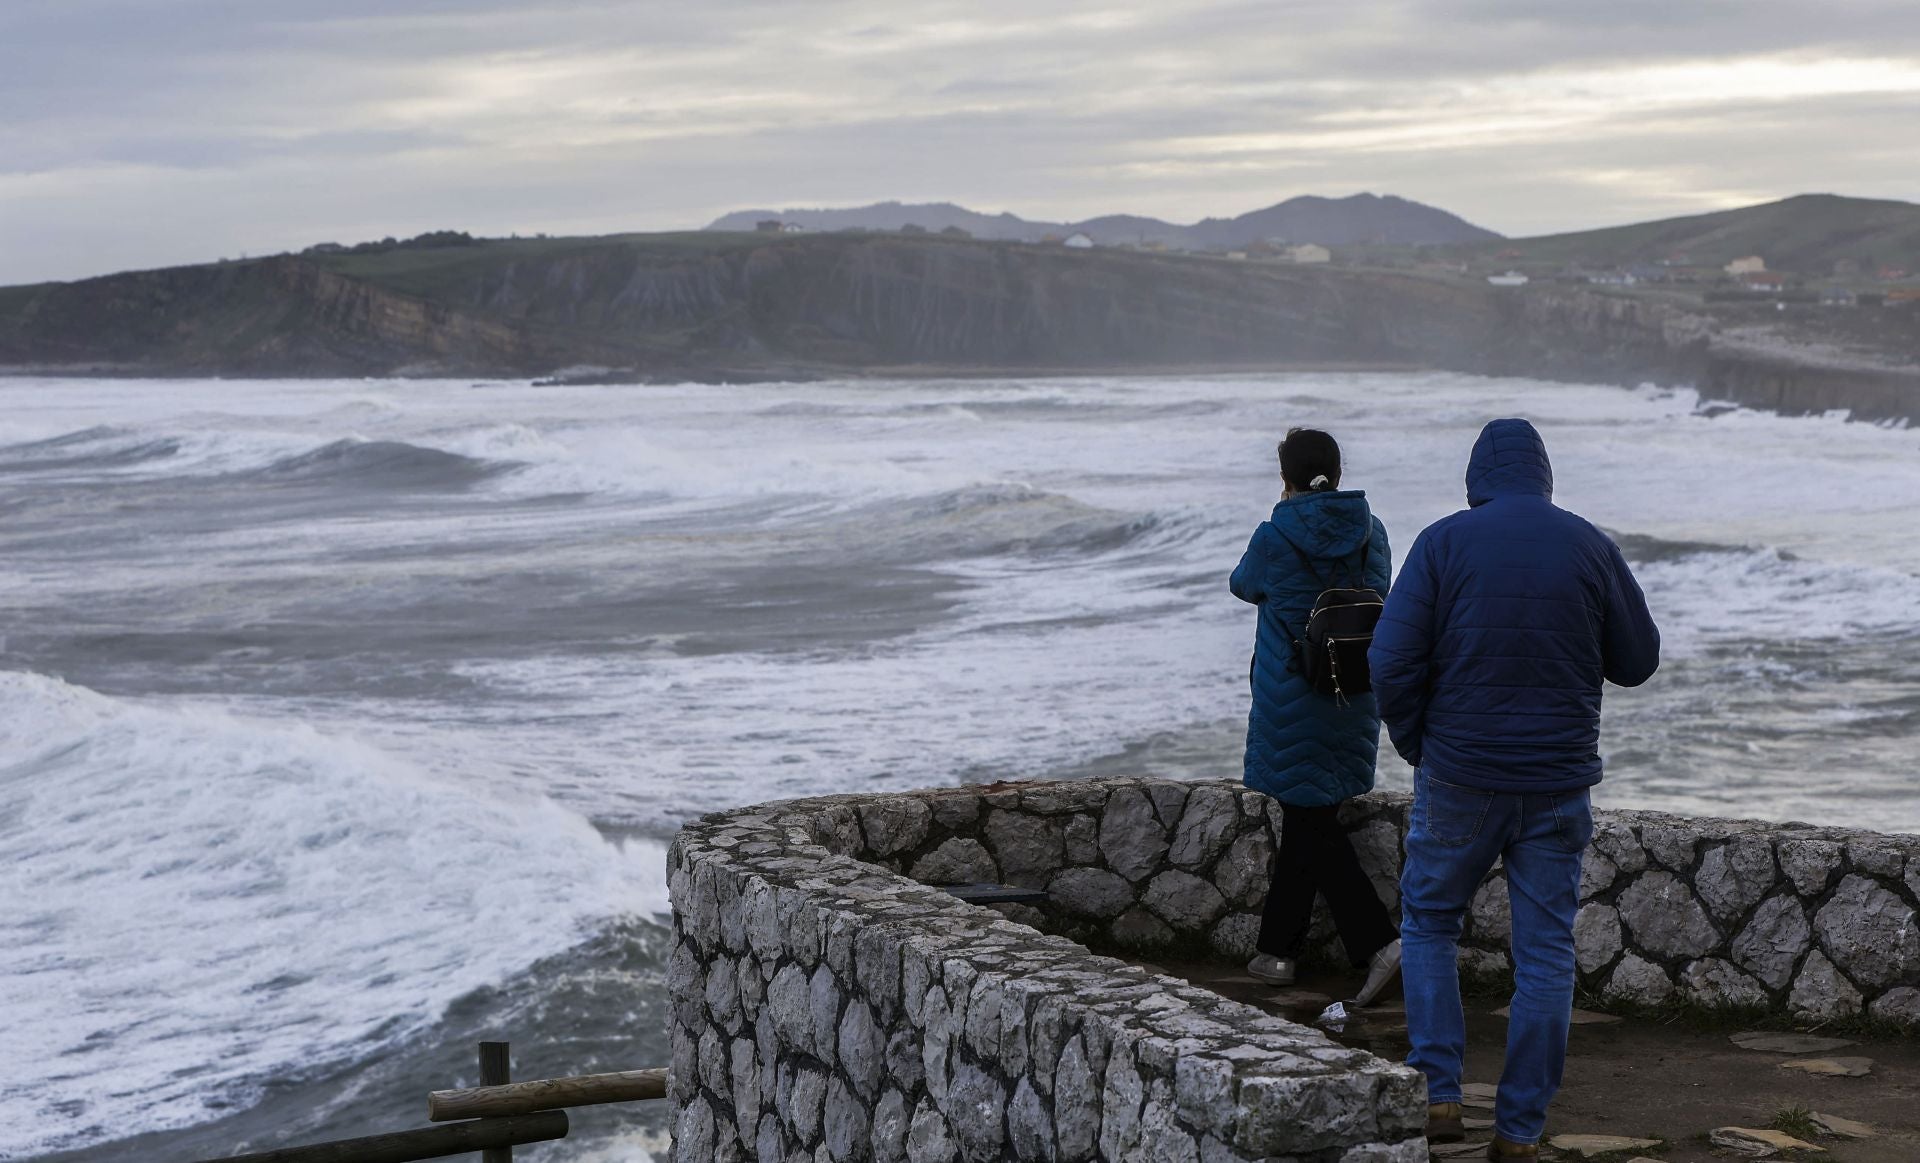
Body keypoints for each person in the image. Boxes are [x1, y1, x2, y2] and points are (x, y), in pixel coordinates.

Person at [1369, 419, 1660, 1159]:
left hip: (1461, 775)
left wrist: (1417, 744)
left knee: (1430, 922)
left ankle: (1438, 1091)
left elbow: (1389, 659)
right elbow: (1638, 659)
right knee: (1546, 954)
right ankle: (1520, 1130)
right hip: (1558, 785)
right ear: (1543, 473)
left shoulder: (1442, 543)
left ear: (1478, 478)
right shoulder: (1590, 545)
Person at [1230, 427, 1402, 1008]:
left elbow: (1242, 585)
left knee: (1311, 819)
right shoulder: (1370, 531)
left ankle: (1379, 942)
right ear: (1337, 471)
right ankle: (1276, 952)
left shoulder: (1275, 535)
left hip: (1295, 696)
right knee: (1309, 817)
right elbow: (1381, 591)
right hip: (1353, 692)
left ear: (1287, 477)